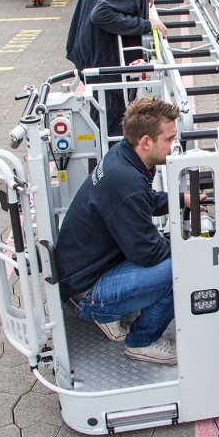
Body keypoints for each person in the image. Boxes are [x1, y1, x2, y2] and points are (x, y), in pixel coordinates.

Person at [55, 98, 185, 365]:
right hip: (88, 293)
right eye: (169, 139)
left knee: (171, 251)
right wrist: (186, 246)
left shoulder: (122, 155)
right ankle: (142, 341)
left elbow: (142, 201)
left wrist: (180, 199)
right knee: (182, 268)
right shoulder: (126, 181)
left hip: (83, 275)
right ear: (146, 142)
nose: (175, 144)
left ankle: (114, 312)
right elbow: (148, 254)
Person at [65, 0, 177, 137]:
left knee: (100, 128)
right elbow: (102, 14)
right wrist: (146, 24)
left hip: (88, 53)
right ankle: (106, 169)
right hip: (106, 67)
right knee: (111, 134)